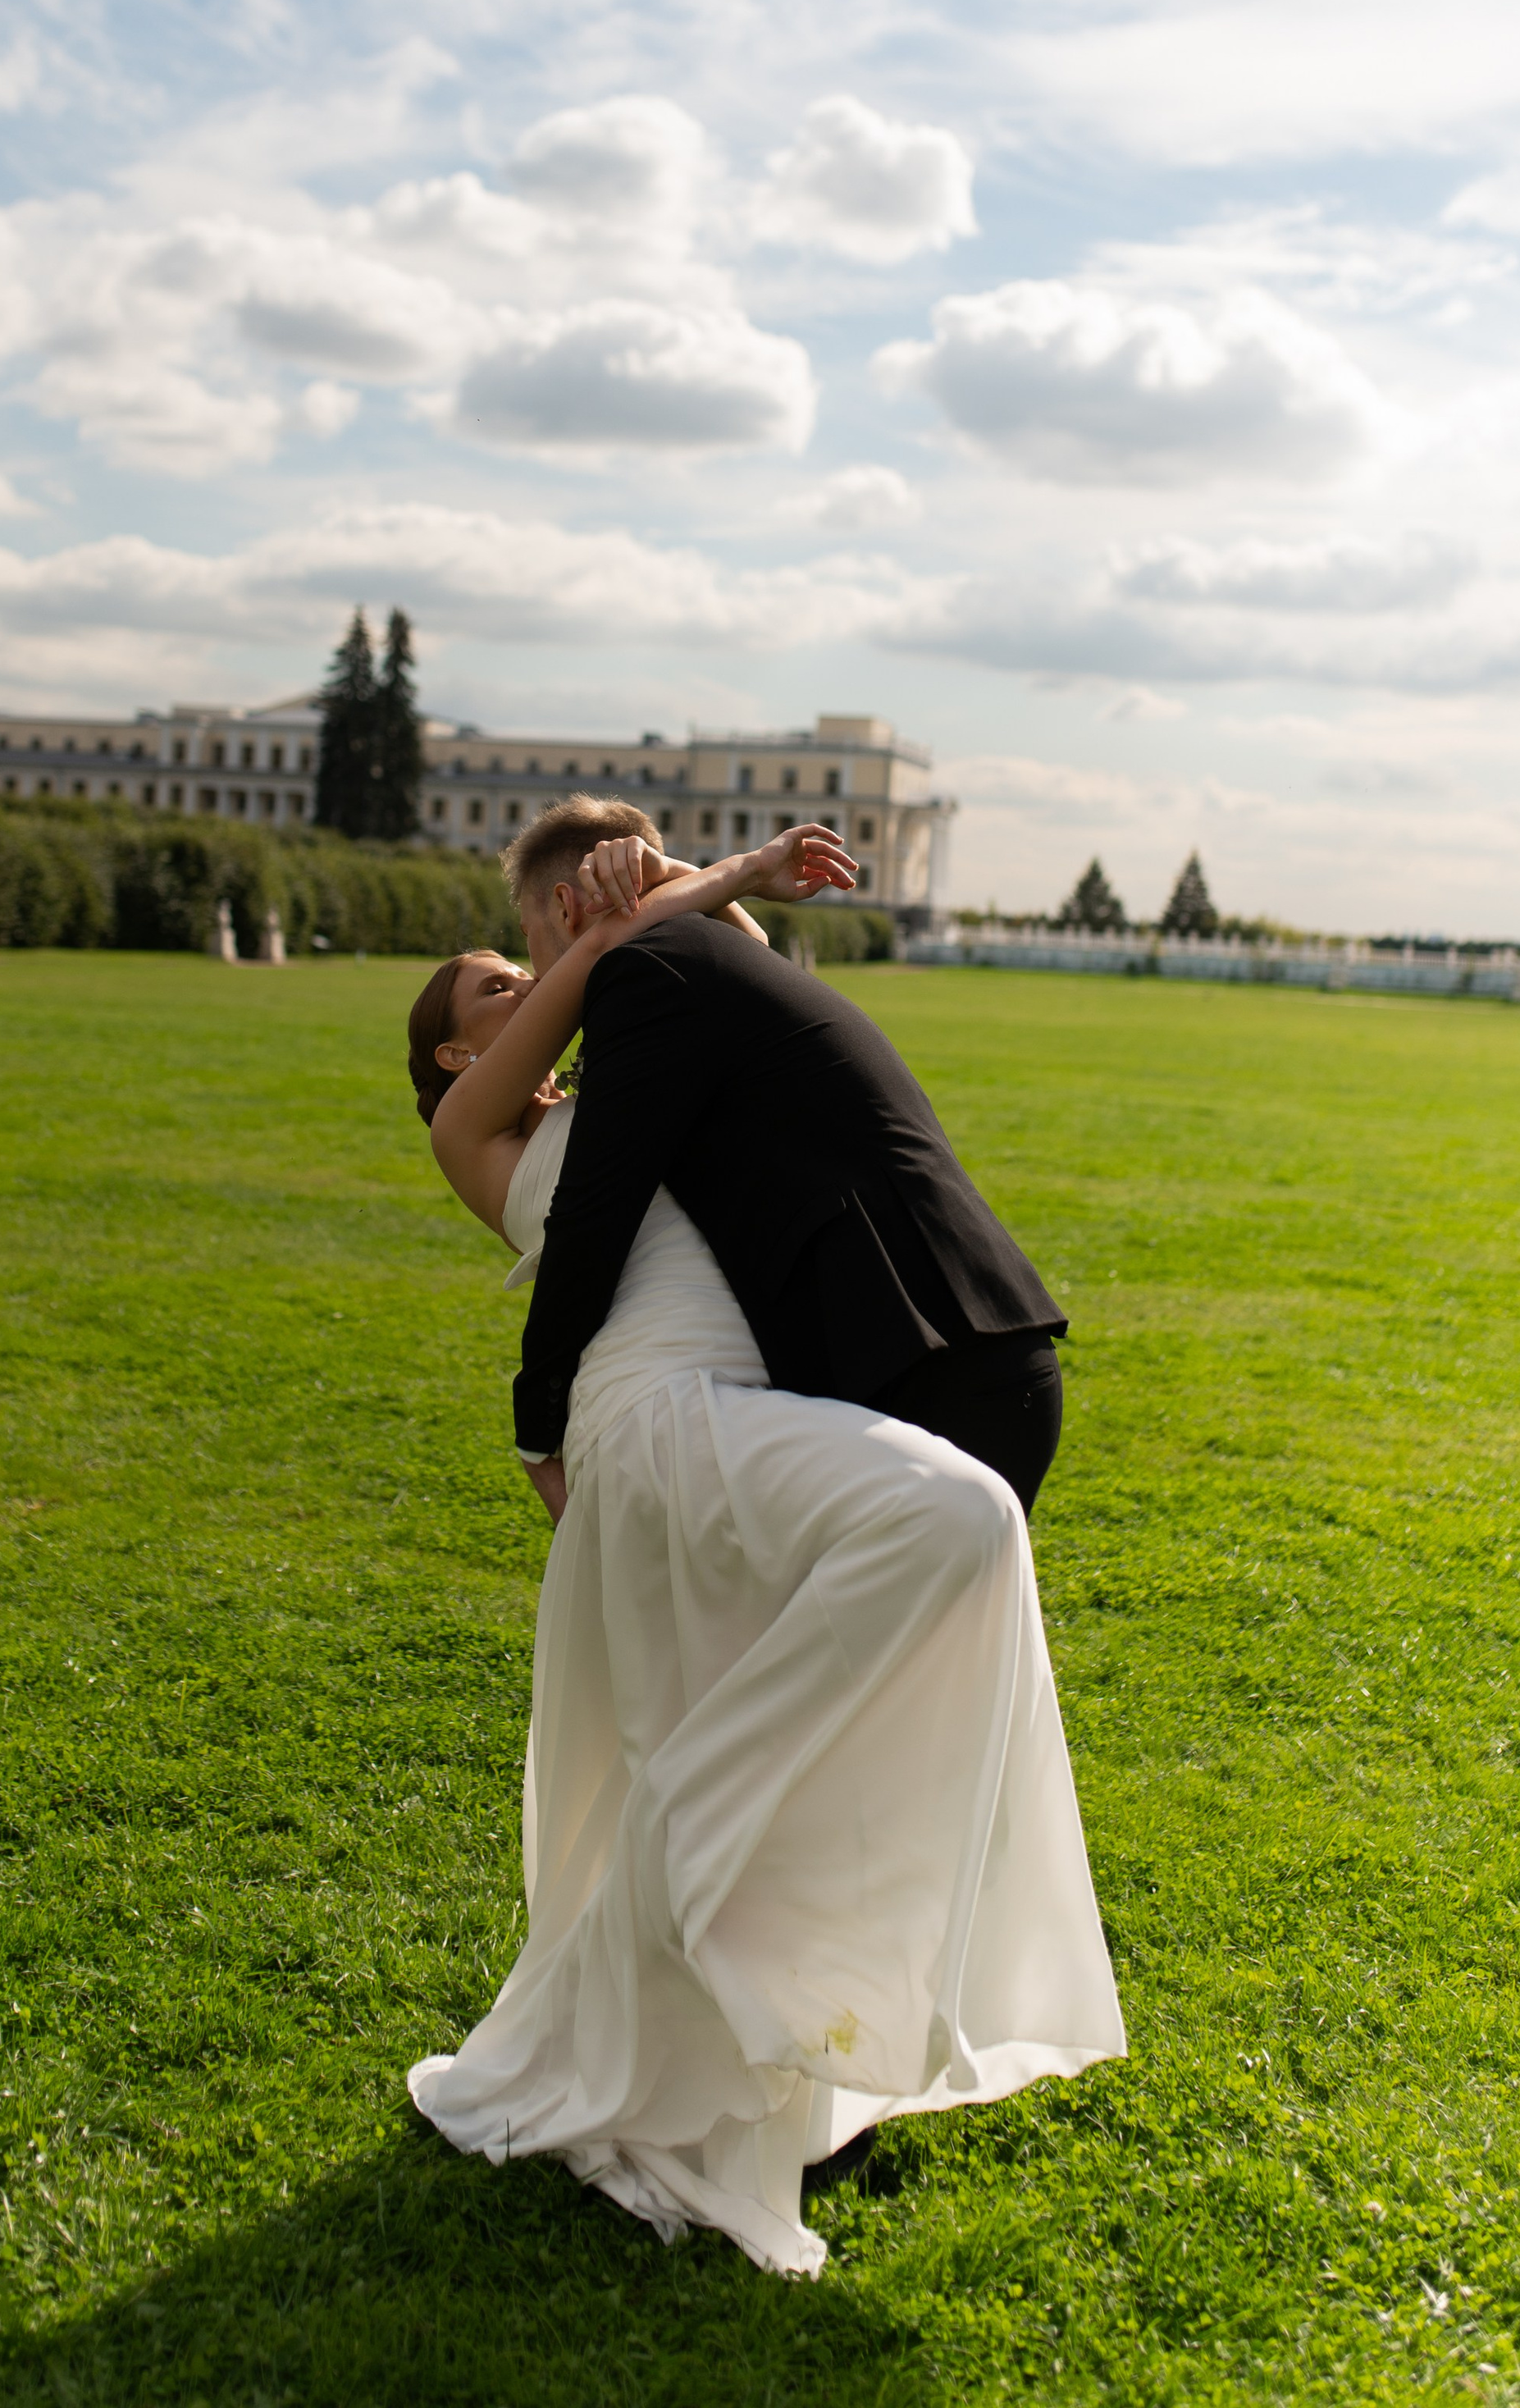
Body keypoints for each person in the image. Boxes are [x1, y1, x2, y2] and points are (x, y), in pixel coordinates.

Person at [402, 814, 1124, 2278]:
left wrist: (701, 891)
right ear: (444, 1056)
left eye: (505, 964)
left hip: (745, 1410)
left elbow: (694, 978)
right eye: (480, 988)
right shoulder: (476, 1128)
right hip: (657, 1418)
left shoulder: (647, 1049)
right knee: (947, 1521)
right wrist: (709, 877)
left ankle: (780, 2064)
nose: (507, 983)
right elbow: (615, 949)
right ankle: (689, 1866)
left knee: (785, 1721)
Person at [508, 796, 1072, 1524]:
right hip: (960, 1366)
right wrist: (701, 876)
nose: (532, 976)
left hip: (931, 1380)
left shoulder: (648, 975)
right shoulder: (700, 954)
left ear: (564, 907)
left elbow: (592, 1214)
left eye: (528, 941)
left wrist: (537, 1422)